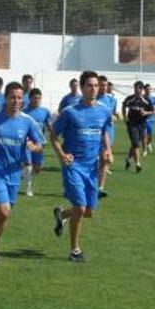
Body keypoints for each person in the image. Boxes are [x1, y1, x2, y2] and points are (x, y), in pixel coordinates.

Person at [0, 82, 44, 265]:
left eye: (20, 97)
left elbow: (40, 145)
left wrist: (33, 146)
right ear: (5, 98)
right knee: (4, 211)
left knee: (5, 215)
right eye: (12, 97)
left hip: (14, 172)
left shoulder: (27, 121)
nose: (16, 101)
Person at [50, 71, 112, 263]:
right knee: (80, 206)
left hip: (92, 167)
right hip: (74, 166)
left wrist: (107, 150)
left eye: (96, 86)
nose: (94, 89)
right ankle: (74, 250)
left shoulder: (103, 110)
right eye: (89, 86)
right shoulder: (70, 112)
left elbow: (104, 131)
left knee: (88, 212)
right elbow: (53, 136)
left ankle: (62, 215)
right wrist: (62, 155)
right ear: (82, 88)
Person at [21, 88, 53, 197]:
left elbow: (49, 126)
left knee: (37, 168)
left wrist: (53, 136)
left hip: (39, 144)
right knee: (28, 164)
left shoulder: (45, 111)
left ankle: (24, 172)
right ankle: (28, 189)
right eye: (34, 98)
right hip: (27, 143)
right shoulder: (23, 112)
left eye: (39, 98)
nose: (37, 100)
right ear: (30, 98)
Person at [121, 81, 154, 173]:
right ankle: (138, 164)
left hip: (142, 124)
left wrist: (145, 113)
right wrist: (124, 116)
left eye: (137, 89)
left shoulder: (146, 100)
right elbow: (124, 105)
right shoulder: (130, 99)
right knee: (136, 144)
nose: (135, 90)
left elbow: (152, 111)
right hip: (132, 124)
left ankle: (128, 159)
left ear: (141, 89)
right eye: (134, 88)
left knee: (135, 144)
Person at [96, 75, 117, 198]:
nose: (103, 87)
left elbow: (112, 114)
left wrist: (116, 115)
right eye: (101, 85)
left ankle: (100, 187)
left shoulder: (111, 100)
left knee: (104, 161)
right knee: (95, 161)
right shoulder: (92, 99)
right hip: (94, 134)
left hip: (108, 133)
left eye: (105, 85)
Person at [142, 83, 155, 156]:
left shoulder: (154, 98)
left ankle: (149, 144)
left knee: (151, 135)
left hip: (151, 119)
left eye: (149, 89)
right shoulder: (142, 98)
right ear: (144, 90)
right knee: (144, 135)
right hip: (143, 120)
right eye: (147, 89)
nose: (148, 90)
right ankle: (145, 150)